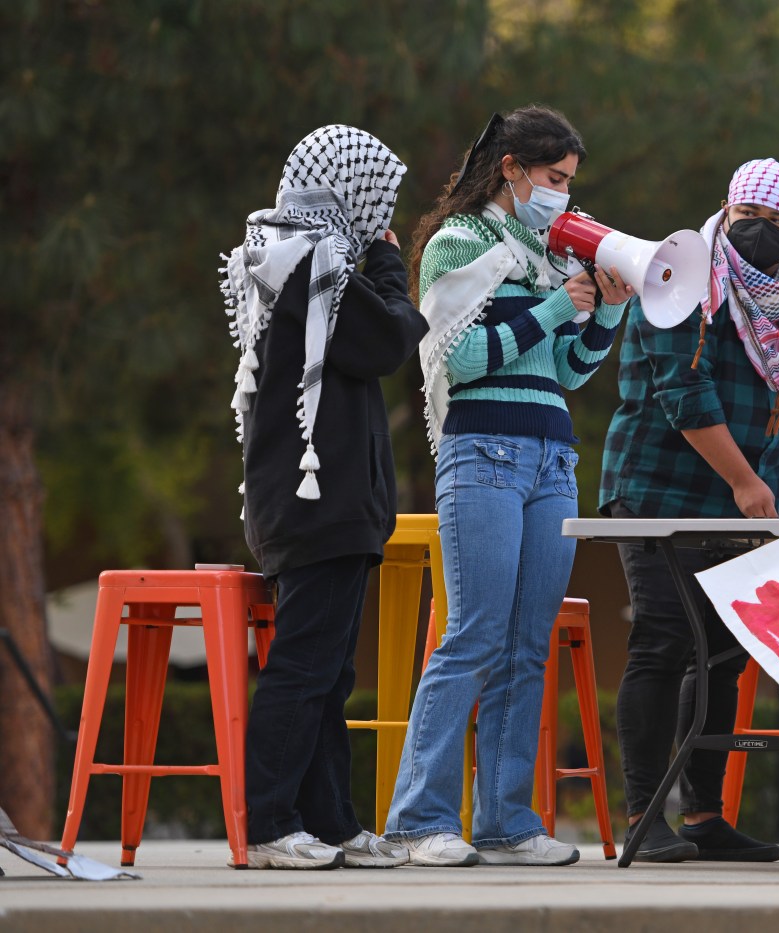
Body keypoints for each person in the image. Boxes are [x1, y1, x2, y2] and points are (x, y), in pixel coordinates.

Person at [384, 105, 632, 867]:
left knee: (528, 645)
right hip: (482, 453)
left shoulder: (548, 253)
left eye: (568, 182)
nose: (562, 194)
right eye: (553, 179)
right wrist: (560, 306)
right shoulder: (460, 243)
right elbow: (456, 359)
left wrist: (604, 318)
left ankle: (505, 821)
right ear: (512, 170)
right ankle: (418, 818)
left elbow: (560, 374)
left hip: (553, 456)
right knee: (476, 634)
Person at [599, 158, 779, 862]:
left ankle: (705, 814)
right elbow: (686, 389)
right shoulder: (681, 276)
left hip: (752, 502)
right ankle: (646, 818)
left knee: (726, 655)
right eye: (752, 219)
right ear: (725, 210)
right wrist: (743, 479)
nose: (763, 235)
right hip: (662, 492)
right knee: (664, 638)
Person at [224, 124, 429, 869]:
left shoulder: (291, 251)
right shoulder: (316, 257)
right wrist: (386, 256)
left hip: (317, 500)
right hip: (318, 503)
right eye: (377, 197)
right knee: (307, 667)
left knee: (329, 671)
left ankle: (330, 820)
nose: (384, 213)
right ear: (347, 190)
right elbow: (386, 340)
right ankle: (271, 821)